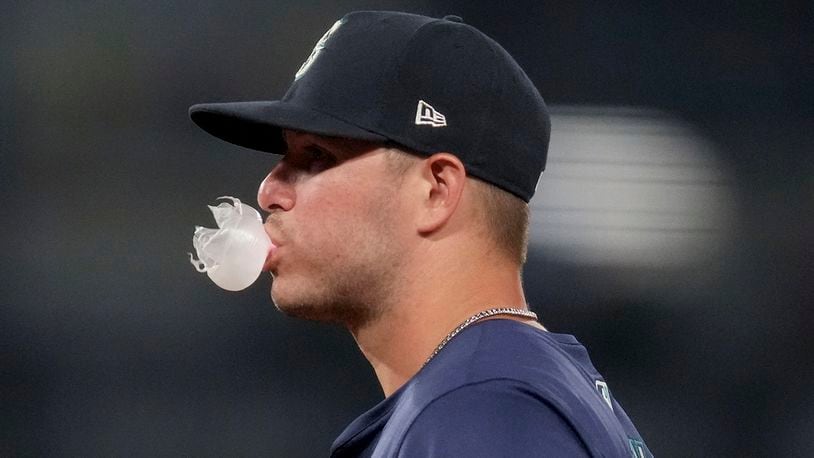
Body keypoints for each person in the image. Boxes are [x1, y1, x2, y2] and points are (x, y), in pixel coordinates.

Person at [189, 10, 652, 458]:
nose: (269, 190)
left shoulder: (483, 409)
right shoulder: (512, 386)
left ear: (435, 191)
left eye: (316, 157)